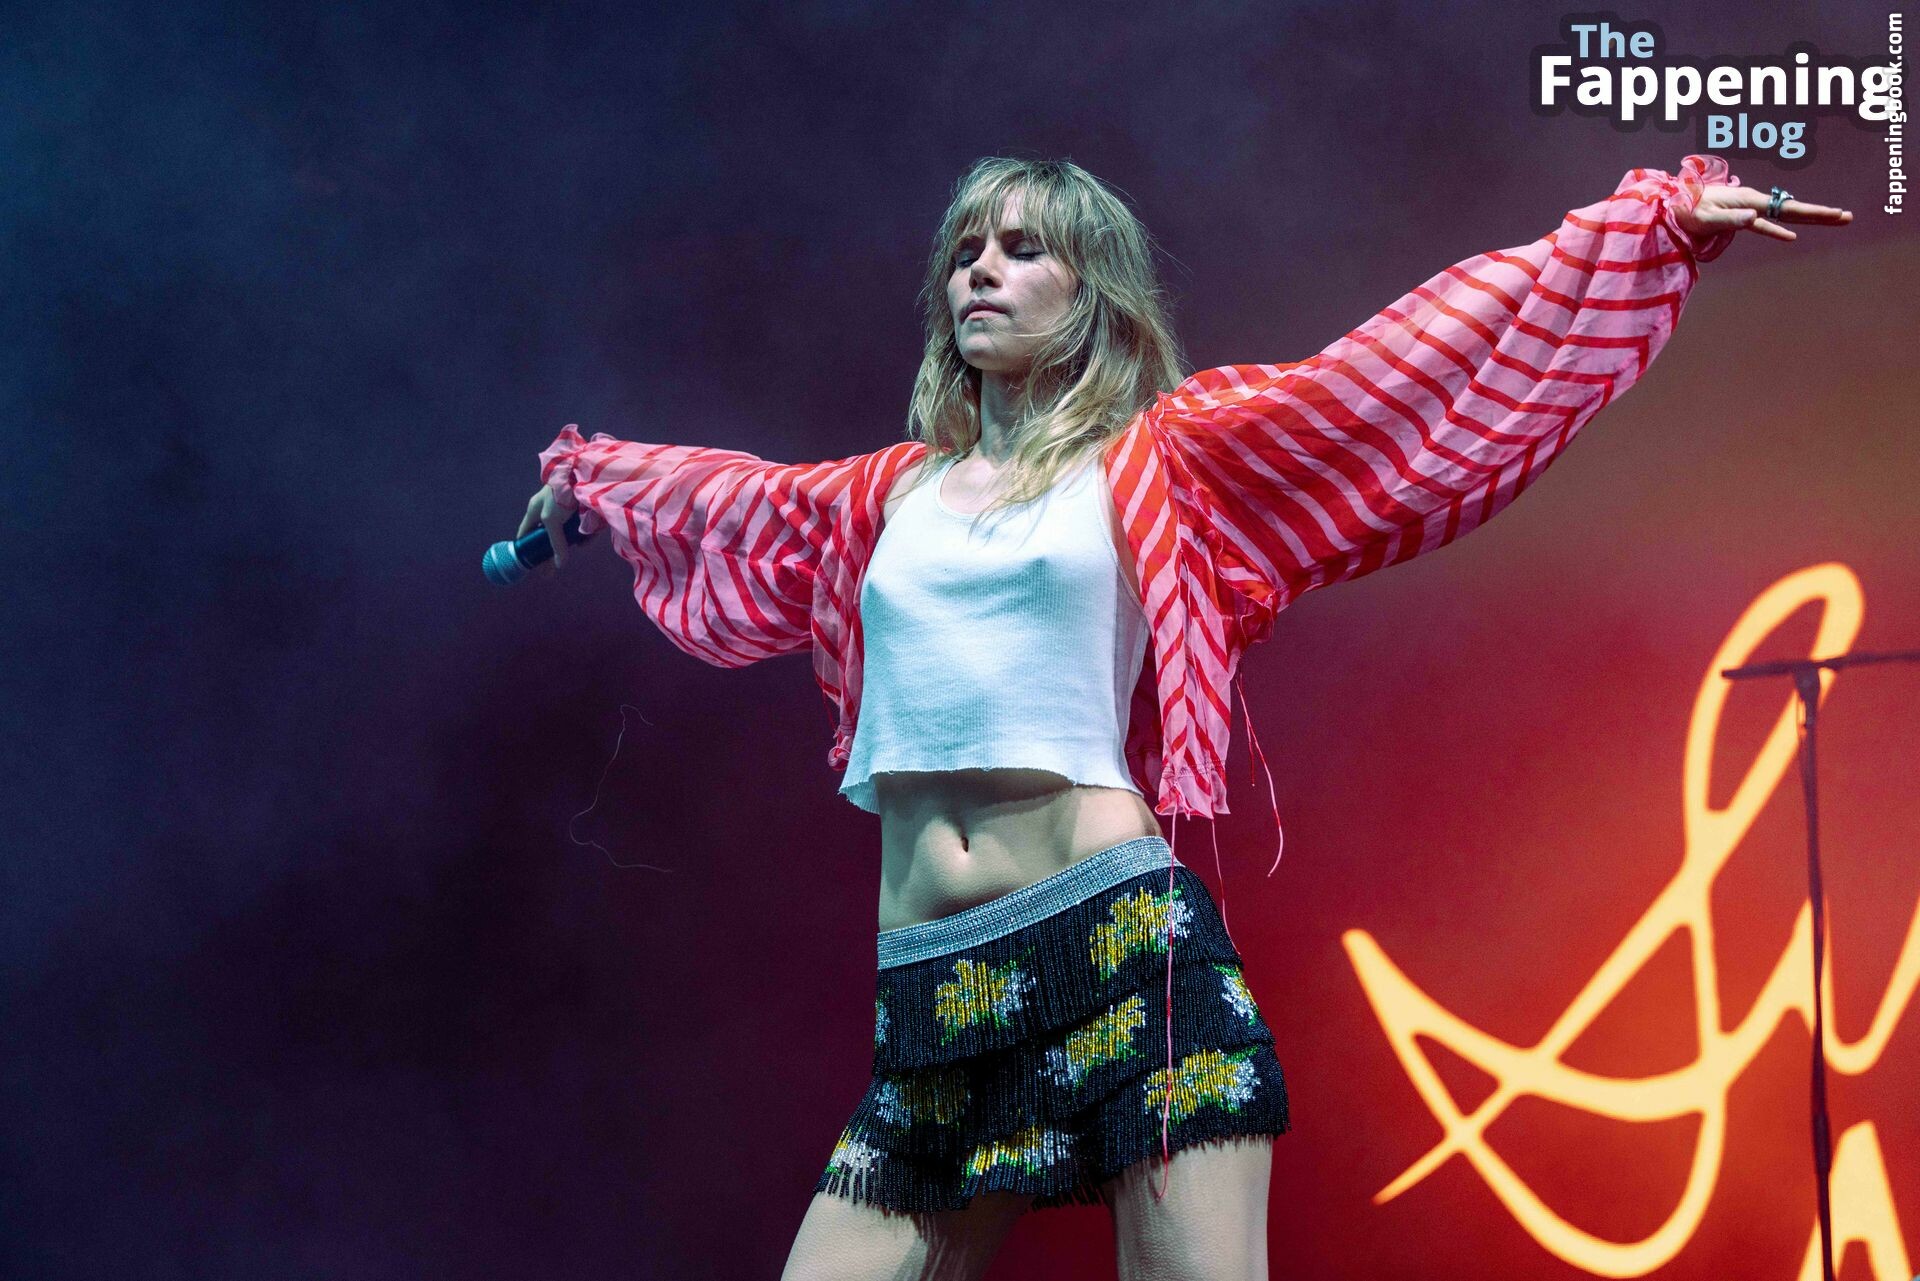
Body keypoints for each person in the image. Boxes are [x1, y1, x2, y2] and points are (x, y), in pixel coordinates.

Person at [519, 156, 1849, 1280]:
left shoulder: (1158, 461)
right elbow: (730, 502)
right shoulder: (880, 499)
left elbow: (1387, 377)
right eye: (966, 251)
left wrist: (1642, 230)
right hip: (930, 999)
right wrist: (597, 486)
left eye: (1023, 249)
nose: (982, 270)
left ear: (1089, 293)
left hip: (1117, 950)